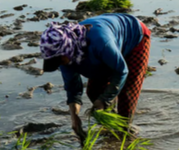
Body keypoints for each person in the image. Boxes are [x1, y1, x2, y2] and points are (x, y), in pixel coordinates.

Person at [40, 13, 151, 143]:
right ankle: (111, 126)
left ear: (67, 49)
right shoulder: (64, 58)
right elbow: (73, 90)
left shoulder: (101, 43)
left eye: (58, 60)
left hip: (135, 35)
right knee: (94, 92)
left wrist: (104, 100)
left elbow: (121, 71)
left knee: (127, 93)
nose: (60, 64)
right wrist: (75, 118)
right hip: (104, 48)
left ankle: (125, 134)